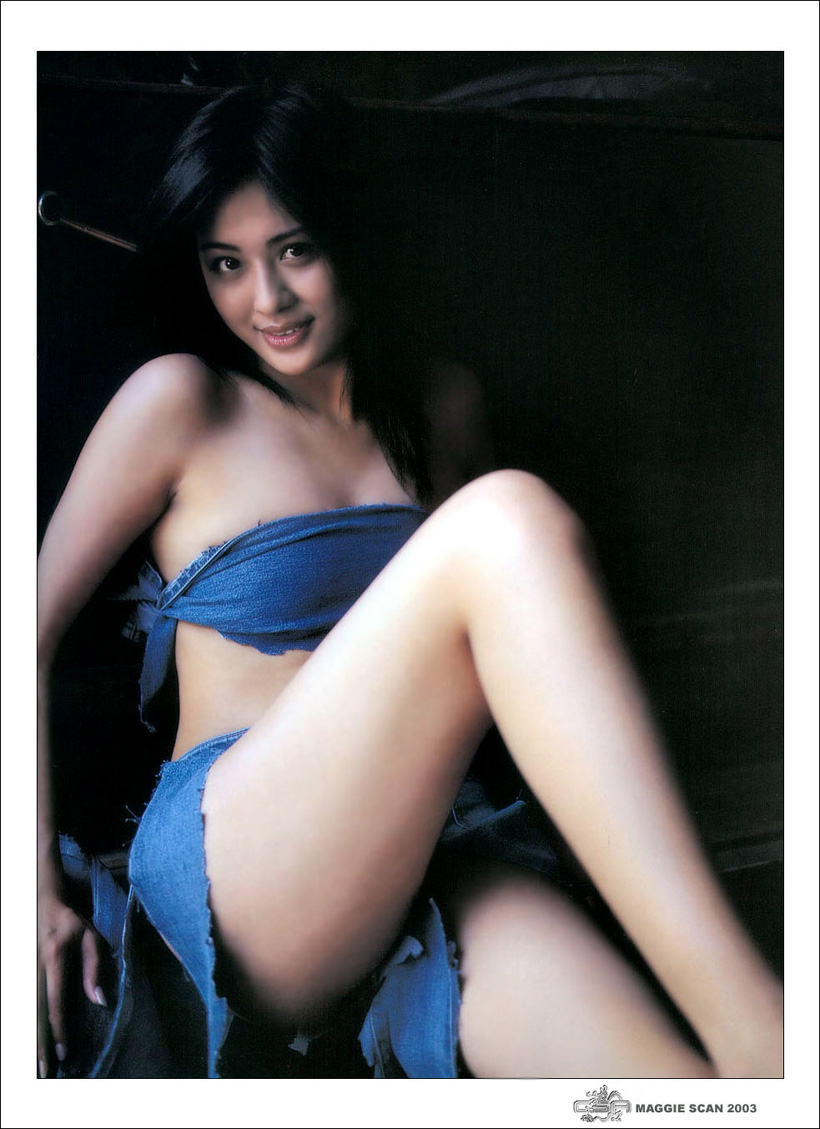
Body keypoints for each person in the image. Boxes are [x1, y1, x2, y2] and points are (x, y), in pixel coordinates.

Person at [37, 84, 783, 1079]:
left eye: (295, 249)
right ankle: (766, 1038)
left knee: (660, 1090)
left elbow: (523, 657)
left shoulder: (444, 409)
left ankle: (766, 1073)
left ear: (352, 235)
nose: (268, 300)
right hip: (243, 862)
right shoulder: (183, 401)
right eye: (228, 264)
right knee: (506, 520)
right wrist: (27, 886)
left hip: (433, 856)